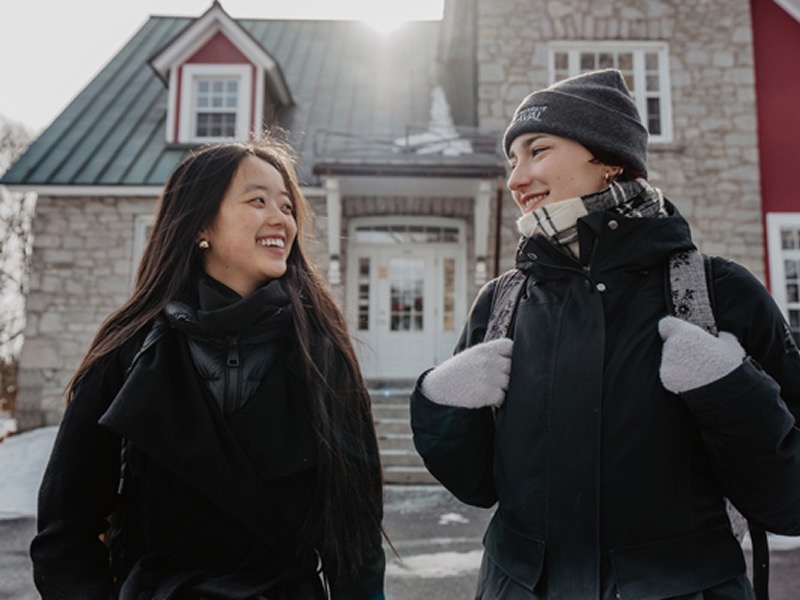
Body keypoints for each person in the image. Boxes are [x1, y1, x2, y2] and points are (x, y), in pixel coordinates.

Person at [410, 69, 800, 599]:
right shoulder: (502, 303)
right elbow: (477, 487)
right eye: (512, 160)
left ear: (609, 159)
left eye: (537, 150)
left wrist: (730, 390)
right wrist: (441, 403)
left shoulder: (717, 292)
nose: (515, 179)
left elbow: (788, 499)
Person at [31, 134, 386, 599]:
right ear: (201, 224)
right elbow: (65, 529)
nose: (281, 217)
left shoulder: (322, 351)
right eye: (258, 201)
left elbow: (355, 536)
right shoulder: (128, 347)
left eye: (286, 205)